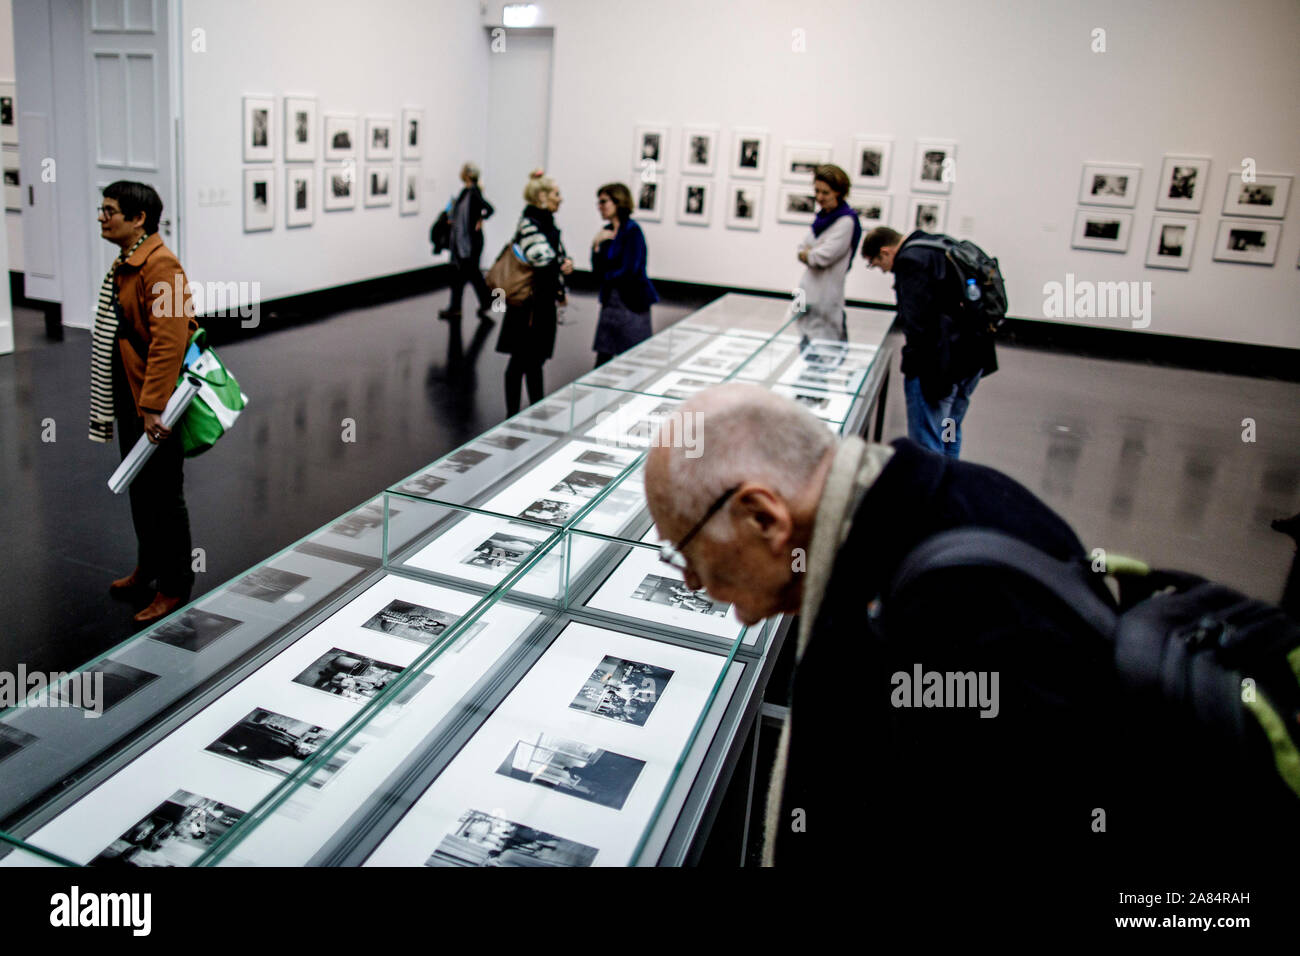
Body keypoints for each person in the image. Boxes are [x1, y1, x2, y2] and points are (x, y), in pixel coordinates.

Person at [643, 384, 1291, 876]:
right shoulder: (942, 499)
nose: (693, 583)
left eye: (686, 553)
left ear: (762, 517)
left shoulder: (953, 612)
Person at [92, 181, 198, 624]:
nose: (102, 217)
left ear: (138, 219)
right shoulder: (128, 261)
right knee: (141, 488)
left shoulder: (161, 265)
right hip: (132, 392)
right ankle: (148, 568)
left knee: (163, 494)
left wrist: (153, 405)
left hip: (154, 399)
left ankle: (174, 586)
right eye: (102, 209)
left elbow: (170, 341)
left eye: (110, 210)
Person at [862, 224, 998, 458]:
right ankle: (949, 484)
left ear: (886, 252)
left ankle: (930, 491)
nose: (883, 271)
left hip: (939, 367)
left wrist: (917, 370)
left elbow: (918, 324)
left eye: (877, 264)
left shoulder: (910, 262)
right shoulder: (938, 244)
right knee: (950, 429)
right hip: (971, 359)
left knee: (927, 439)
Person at [496, 170, 572, 416]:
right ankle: (513, 415)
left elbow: (554, 257)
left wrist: (564, 263)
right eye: (556, 194)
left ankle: (535, 410)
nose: (560, 199)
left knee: (533, 360)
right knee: (521, 360)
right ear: (541, 196)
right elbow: (545, 263)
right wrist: (561, 267)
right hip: (529, 306)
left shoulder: (545, 222)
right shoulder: (531, 224)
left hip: (539, 303)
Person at [590, 182, 658, 367]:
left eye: (604, 201)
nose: (600, 207)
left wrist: (608, 276)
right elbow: (597, 270)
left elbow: (630, 269)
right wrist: (596, 245)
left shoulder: (632, 230)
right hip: (611, 303)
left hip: (631, 303)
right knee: (603, 359)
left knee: (632, 361)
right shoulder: (607, 232)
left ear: (618, 202)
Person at [791, 164, 861, 345]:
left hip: (825, 297)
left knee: (824, 347)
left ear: (838, 192)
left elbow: (821, 258)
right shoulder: (822, 219)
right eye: (817, 191)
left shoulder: (846, 222)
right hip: (805, 292)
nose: (819, 197)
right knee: (798, 340)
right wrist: (808, 253)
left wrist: (809, 254)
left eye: (825, 192)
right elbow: (801, 248)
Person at [439, 162, 495, 321]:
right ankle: (481, 302)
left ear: (468, 175)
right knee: (467, 275)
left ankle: (461, 307)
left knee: (468, 275)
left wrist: (481, 219)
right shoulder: (466, 192)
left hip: (471, 242)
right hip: (466, 241)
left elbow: (490, 209)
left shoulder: (474, 192)